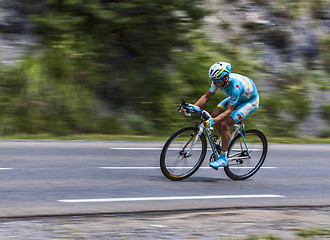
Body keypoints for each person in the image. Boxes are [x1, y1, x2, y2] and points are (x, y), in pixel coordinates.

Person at [181, 62, 259, 169]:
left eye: (216, 81)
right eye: (213, 80)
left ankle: (223, 158)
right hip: (236, 97)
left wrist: (213, 121)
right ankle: (226, 140)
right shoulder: (218, 79)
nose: (214, 83)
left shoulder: (235, 87)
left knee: (224, 124)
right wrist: (192, 107)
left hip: (249, 101)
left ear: (226, 78)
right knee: (214, 114)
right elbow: (206, 97)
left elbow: (228, 111)